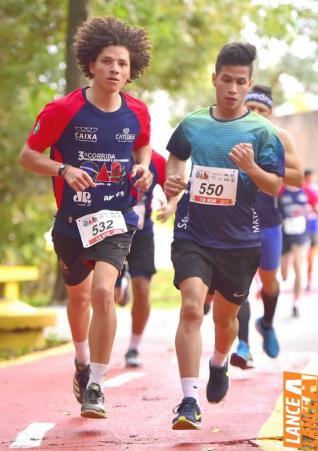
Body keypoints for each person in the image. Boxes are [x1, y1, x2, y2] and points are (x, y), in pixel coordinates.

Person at [19, 16, 152, 419]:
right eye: (108, 61)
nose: (116, 69)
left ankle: (96, 383)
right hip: (73, 220)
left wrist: (143, 169)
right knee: (78, 297)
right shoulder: (64, 110)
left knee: (103, 292)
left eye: (123, 64)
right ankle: (81, 360)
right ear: (91, 64)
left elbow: (142, 148)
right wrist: (62, 170)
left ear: (132, 70)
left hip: (117, 216)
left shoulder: (138, 112)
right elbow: (28, 156)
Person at [165, 42, 285, 430]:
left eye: (241, 82)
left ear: (248, 85)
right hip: (193, 232)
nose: (232, 89)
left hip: (240, 240)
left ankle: (219, 363)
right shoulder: (193, 123)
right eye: (226, 80)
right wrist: (173, 183)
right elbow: (177, 156)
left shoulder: (263, 132)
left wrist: (251, 167)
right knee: (190, 306)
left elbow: (274, 187)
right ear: (214, 79)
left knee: (226, 320)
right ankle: (187, 399)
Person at [230, 85, 303, 369]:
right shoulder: (230, 133)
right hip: (235, 222)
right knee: (240, 286)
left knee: (270, 283)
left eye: (262, 110)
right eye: (252, 109)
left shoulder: (279, 137)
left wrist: (260, 165)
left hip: (269, 223)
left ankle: (267, 323)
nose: (256, 114)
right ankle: (243, 344)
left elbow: (297, 177)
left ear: (270, 114)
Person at [114, 149, 177, 367]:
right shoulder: (110, 149)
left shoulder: (157, 160)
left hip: (142, 233)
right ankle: (122, 285)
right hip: (111, 231)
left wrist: (170, 206)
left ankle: (133, 347)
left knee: (142, 289)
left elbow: (174, 191)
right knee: (113, 295)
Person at [278, 185, 308, 317]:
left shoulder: (305, 191)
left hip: (300, 235)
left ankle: (296, 303)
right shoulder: (281, 191)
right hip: (285, 235)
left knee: (298, 267)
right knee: (284, 274)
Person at [302, 169, 318, 291]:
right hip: (304, 225)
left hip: (312, 224)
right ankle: (305, 280)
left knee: (310, 255)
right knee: (305, 255)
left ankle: (308, 280)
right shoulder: (302, 188)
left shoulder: (313, 188)